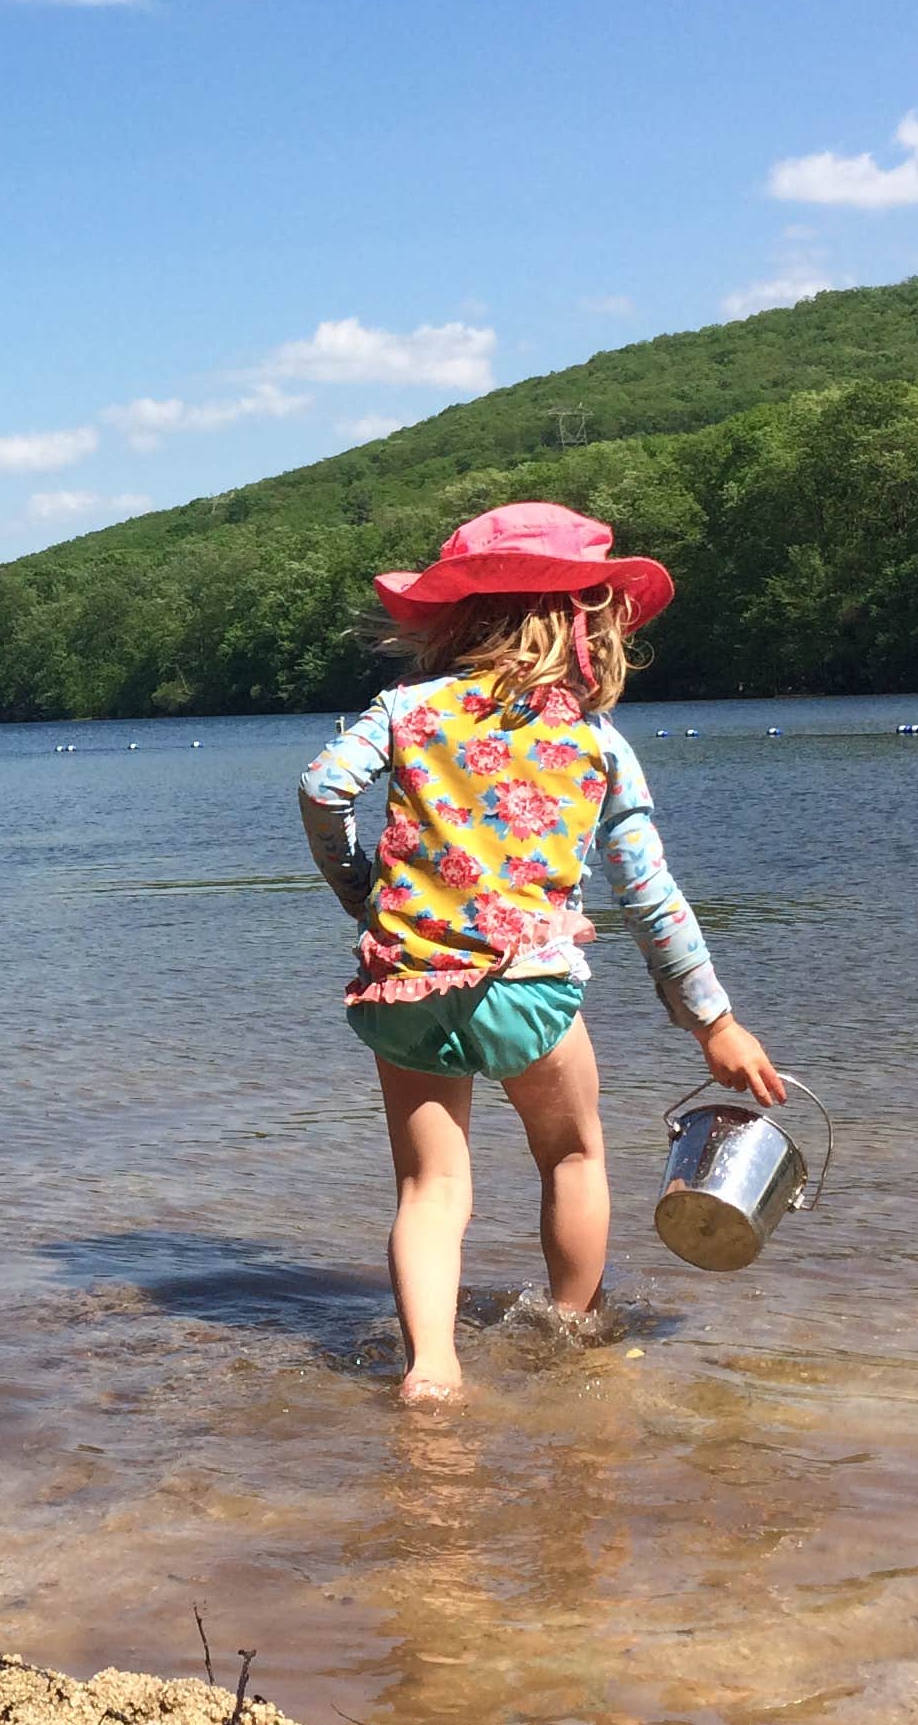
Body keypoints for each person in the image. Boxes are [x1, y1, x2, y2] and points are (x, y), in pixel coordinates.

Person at [298, 501, 782, 1407]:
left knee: (431, 1186)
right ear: (584, 622)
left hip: (408, 984)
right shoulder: (594, 741)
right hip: (530, 988)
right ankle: (574, 1334)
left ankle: (431, 1371)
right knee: (571, 1156)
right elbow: (651, 897)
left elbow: (323, 787)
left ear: (456, 616)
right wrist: (712, 1023)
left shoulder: (406, 710)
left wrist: (361, 890)